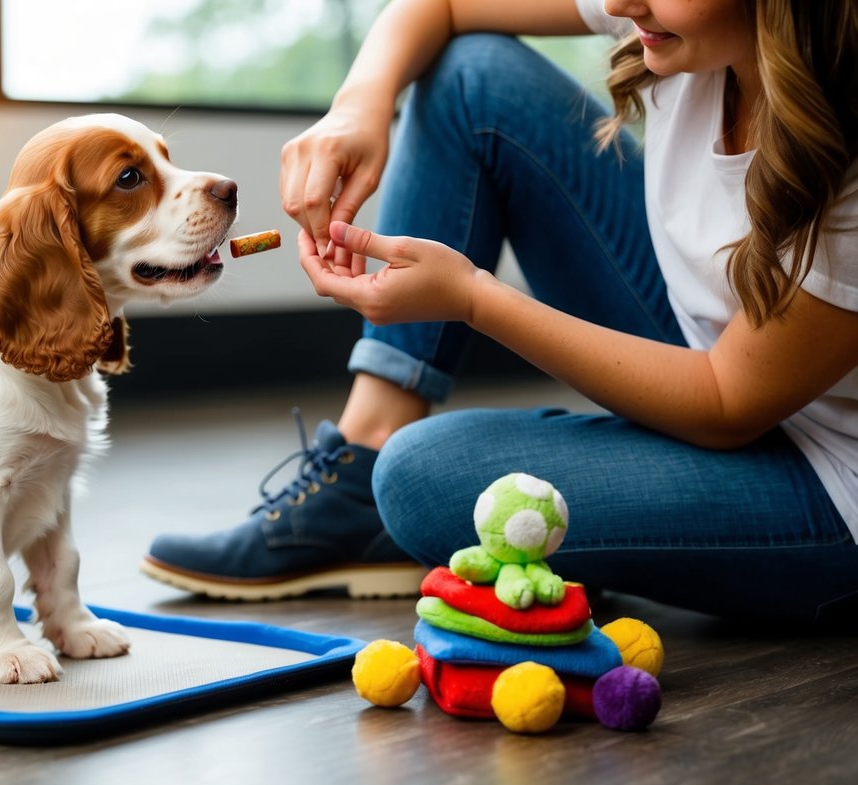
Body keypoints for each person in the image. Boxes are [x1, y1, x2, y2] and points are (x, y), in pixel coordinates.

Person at [143, 0, 858, 624]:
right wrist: (358, 107)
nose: (618, 3)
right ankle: (358, 466)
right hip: (709, 348)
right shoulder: (676, 14)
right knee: (470, 75)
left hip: (820, 483)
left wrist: (471, 297)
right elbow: (441, 5)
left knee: (423, 478)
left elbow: (728, 400)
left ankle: (630, 530)